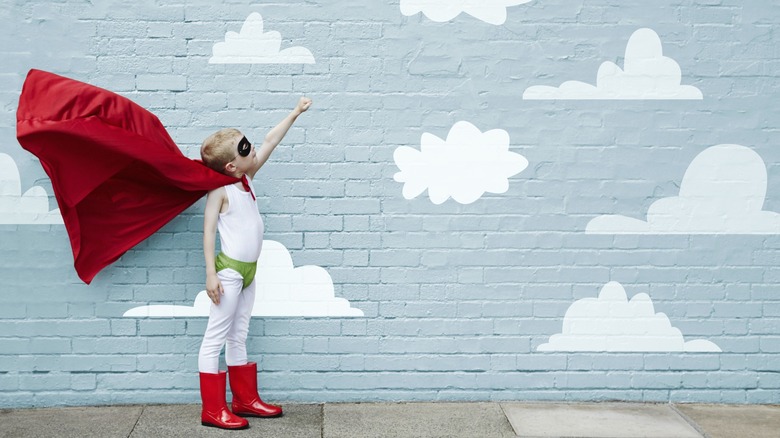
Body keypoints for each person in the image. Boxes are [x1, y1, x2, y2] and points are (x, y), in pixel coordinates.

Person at [196, 97, 312, 430]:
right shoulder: (220, 191)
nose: (252, 151)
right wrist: (210, 275)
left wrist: (294, 113)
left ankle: (244, 400)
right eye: (244, 148)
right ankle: (212, 409)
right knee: (215, 337)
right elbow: (207, 235)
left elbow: (270, 140)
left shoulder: (244, 180)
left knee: (239, 335)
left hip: (248, 274)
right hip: (229, 272)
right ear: (231, 165)